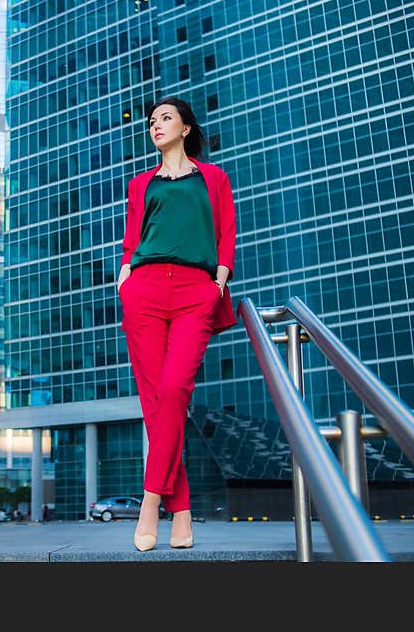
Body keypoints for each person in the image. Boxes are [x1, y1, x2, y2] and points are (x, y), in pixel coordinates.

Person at [117, 96, 237, 551]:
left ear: (186, 128)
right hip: (144, 290)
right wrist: (125, 277)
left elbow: (226, 230)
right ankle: (182, 510)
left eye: (166, 118)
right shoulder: (141, 183)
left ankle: (152, 500)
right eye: (151, 121)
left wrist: (220, 276)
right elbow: (133, 239)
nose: (156, 125)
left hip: (194, 292)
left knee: (173, 391)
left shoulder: (214, 178)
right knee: (155, 403)